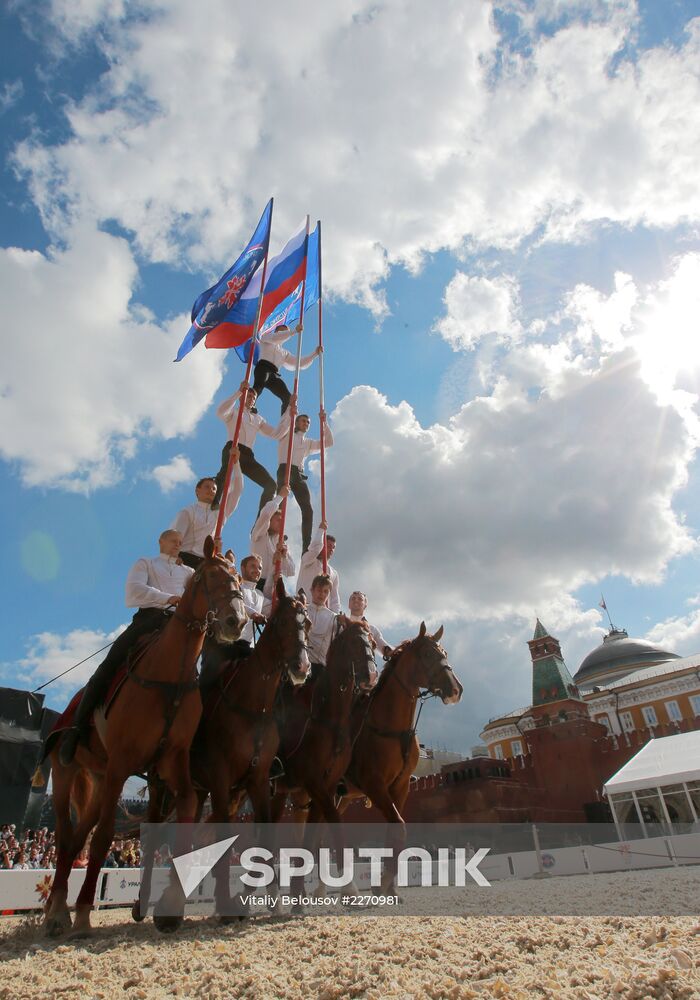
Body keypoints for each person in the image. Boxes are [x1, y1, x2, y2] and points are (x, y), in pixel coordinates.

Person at [58, 529, 194, 766]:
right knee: (107, 667)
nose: (177, 544)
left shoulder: (189, 572)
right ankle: (76, 730)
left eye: (180, 542)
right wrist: (168, 598)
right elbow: (134, 592)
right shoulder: (146, 563)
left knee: (195, 681)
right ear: (160, 541)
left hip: (178, 629)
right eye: (173, 540)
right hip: (148, 621)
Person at [212, 382, 282, 513]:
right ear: (242, 398)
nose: (251, 399)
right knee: (224, 474)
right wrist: (239, 391)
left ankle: (261, 520)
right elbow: (220, 412)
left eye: (253, 397)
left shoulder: (258, 419)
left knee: (271, 485)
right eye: (248, 396)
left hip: (248, 455)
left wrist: (289, 420)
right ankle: (214, 504)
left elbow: (275, 434)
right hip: (233, 447)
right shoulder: (234, 411)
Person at [275, 403, 333, 553]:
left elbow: (329, 443)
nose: (306, 424)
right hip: (285, 469)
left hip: (298, 474)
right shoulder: (287, 434)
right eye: (303, 421)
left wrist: (324, 423)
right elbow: (283, 426)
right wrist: (290, 413)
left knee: (308, 510)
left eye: (308, 422)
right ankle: (275, 535)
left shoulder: (308, 442)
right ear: (296, 422)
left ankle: (305, 547)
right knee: (280, 505)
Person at [171, 450, 243, 569]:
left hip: (206, 562)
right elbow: (175, 537)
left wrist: (236, 464)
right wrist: (173, 557)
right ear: (197, 491)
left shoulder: (220, 513)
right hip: (183, 559)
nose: (211, 490)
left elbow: (237, 490)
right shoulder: (187, 511)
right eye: (207, 487)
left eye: (214, 488)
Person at [252, 323, 322, 414]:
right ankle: (249, 405)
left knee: (288, 397)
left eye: (286, 332)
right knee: (259, 385)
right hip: (263, 367)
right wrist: (293, 331)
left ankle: (284, 419)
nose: (285, 333)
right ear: (276, 331)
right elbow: (276, 338)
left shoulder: (284, 353)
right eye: (283, 331)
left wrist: (315, 354)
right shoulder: (266, 337)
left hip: (274, 374)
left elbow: (299, 363)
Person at [250, 486, 296, 597]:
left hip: (273, 585)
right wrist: (280, 497)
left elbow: (291, 571)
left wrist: (284, 556)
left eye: (282, 520)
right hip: (256, 582)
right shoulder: (259, 534)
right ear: (269, 522)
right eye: (277, 520)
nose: (281, 523)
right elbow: (265, 514)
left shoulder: (281, 544)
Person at [296, 520, 341, 612]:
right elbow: (315, 550)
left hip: (322, 612)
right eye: (328, 546)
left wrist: (335, 616)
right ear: (322, 545)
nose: (331, 549)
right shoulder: (308, 560)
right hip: (303, 607)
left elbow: (334, 598)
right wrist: (321, 531)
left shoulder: (334, 573)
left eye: (333, 547)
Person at [306, 575, 338, 680]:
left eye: (326, 591)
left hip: (319, 669)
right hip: (299, 664)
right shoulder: (303, 610)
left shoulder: (333, 617)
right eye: (319, 590)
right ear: (312, 590)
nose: (322, 594)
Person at [344, 591, 392, 658]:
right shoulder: (340, 625)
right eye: (353, 598)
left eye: (360, 599)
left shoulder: (372, 629)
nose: (356, 600)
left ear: (365, 605)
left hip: (365, 667)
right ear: (349, 604)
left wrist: (397, 652)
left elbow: (384, 648)